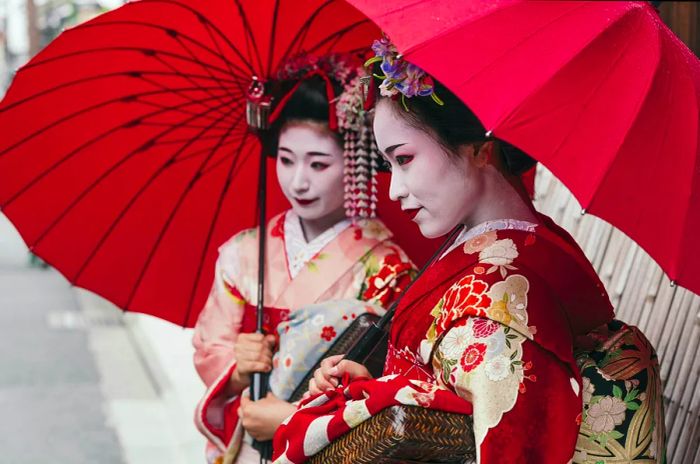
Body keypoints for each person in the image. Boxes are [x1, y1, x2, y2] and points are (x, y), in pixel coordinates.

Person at [272, 39, 666, 464]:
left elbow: (508, 445)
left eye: (404, 159)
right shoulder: (514, 245)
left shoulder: (501, 297)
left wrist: (393, 399)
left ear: (479, 146)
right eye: (388, 165)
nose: (396, 189)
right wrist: (380, 386)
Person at [192, 53, 415, 464]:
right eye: (287, 159)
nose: (298, 181)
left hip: (328, 449)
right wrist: (240, 367)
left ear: (354, 163)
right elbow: (211, 346)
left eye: (318, 163)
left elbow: (387, 386)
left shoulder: (386, 267)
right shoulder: (243, 254)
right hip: (251, 438)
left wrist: (293, 416)